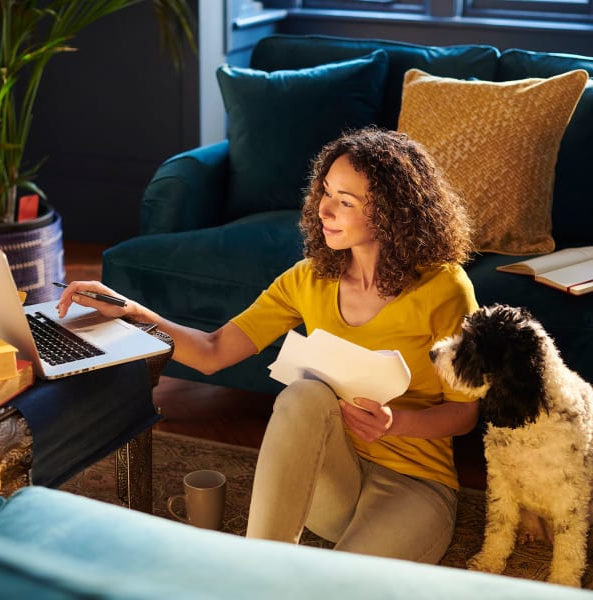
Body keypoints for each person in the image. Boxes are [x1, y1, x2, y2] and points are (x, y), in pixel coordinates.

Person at [57, 126, 479, 563]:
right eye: (326, 192)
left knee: (342, 587)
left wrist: (395, 424)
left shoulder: (444, 288)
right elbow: (212, 350)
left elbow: (465, 413)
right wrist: (130, 312)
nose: (324, 209)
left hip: (414, 482)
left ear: (391, 214)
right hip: (329, 478)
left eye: (345, 202)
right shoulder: (308, 278)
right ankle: (256, 568)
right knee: (304, 394)